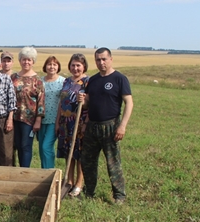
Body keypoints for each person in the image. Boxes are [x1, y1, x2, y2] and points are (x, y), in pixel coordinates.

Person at [78, 47, 133, 204]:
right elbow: (88, 104)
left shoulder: (119, 79)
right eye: (98, 59)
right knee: (87, 160)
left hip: (110, 126)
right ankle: (89, 191)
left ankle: (119, 195)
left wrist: (122, 126)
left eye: (104, 59)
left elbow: (129, 102)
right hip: (92, 127)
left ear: (111, 59)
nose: (101, 62)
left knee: (112, 162)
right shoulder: (93, 80)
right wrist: (83, 100)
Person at [56, 53, 89, 196]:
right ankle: (68, 181)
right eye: (73, 65)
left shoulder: (88, 81)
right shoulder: (66, 81)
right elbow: (61, 102)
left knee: (79, 153)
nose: (75, 68)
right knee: (67, 151)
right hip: (65, 122)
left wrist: (84, 100)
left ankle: (79, 183)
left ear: (84, 67)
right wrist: (58, 121)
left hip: (79, 122)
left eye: (78, 65)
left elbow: (89, 104)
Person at [11, 46, 45, 168]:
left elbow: (41, 101)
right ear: (20, 60)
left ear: (33, 61)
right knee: (15, 145)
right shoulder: (14, 77)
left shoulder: (37, 80)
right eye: (24, 59)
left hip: (29, 120)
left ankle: (24, 171)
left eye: (29, 60)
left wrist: (38, 120)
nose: (26, 62)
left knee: (25, 146)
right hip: (13, 117)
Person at [39, 56, 65, 169]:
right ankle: (43, 174)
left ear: (58, 67)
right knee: (41, 149)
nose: (52, 67)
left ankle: (50, 174)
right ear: (45, 67)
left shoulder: (63, 81)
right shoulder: (40, 81)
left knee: (46, 147)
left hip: (55, 120)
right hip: (41, 119)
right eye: (49, 64)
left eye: (54, 64)